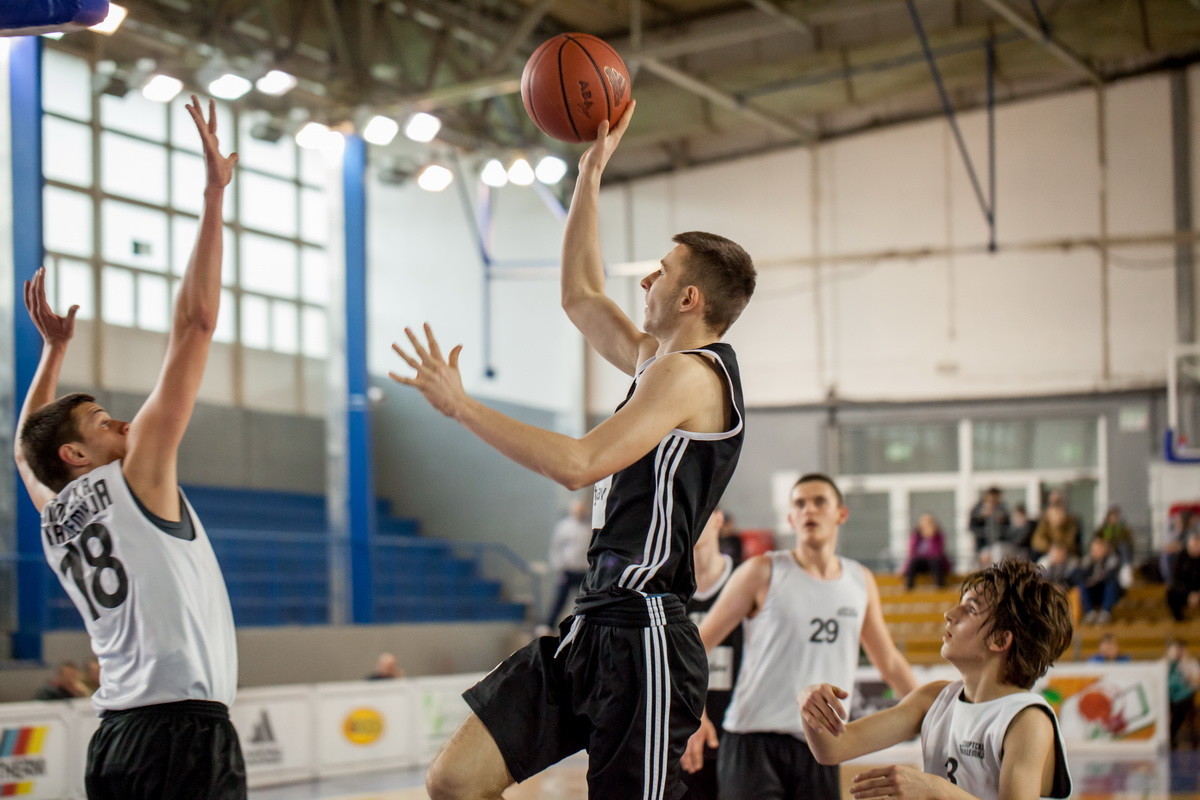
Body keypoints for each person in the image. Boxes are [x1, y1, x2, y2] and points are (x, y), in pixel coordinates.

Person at [393, 101, 756, 800]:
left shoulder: (691, 375)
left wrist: (463, 408)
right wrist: (589, 171)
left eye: (659, 271)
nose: (642, 280)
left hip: (647, 630)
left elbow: (577, 464)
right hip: (595, 620)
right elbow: (579, 293)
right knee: (455, 781)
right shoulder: (657, 360)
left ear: (688, 297)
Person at [13, 97, 243, 800]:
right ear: (78, 457)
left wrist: (52, 355)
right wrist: (212, 198)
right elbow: (196, 325)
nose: (121, 425)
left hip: (115, 736)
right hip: (181, 735)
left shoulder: (57, 514)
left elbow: (26, 453)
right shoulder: (136, 477)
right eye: (103, 420)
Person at [683, 474, 919, 799]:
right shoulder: (762, 571)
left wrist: (933, 714)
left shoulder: (859, 580)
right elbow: (694, 647)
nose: (809, 510)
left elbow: (889, 662)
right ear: (791, 518)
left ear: (841, 514)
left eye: (819, 501)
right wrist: (696, 716)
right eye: (800, 503)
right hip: (753, 742)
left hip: (822, 745)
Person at [799, 559, 1073, 800]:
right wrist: (808, 704)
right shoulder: (933, 698)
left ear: (1000, 639)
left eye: (971, 609)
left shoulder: (1027, 721)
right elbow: (833, 749)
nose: (950, 615)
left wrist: (938, 790)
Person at [681, 508, 742, 800]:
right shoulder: (664, 590)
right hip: (683, 737)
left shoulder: (748, 579)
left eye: (701, 510)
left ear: (718, 520)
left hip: (740, 736)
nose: (691, 520)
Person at [544, 498, 592, 628]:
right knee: (560, 599)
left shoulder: (588, 528)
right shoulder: (564, 527)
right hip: (567, 570)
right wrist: (559, 566)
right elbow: (556, 547)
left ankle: (584, 625)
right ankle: (548, 625)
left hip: (583, 570)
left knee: (584, 600)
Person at [1075, 536, 1123, 624]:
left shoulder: (1112, 559)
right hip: (1093, 590)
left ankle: (1105, 613)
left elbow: (1110, 575)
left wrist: (1095, 580)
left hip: (1107, 589)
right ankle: (1089, 613)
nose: (1097, 551)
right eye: (1095, 549)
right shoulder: (1087, 560)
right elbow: (1080, 576)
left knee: (1112, 584)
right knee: (1082, 585)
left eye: (1100, 548)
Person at [901, 513, 951, 589]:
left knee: (935, 561)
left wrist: (931, 537)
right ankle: (909, 586)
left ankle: (940, 586)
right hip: (920, 562)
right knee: (914, 562)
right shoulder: (916, 535)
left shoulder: (938, 536)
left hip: (933, 562)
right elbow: (912, 552)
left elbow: (937, 552)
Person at [1167, 639, 1200, 749]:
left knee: (1182, 704)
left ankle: (1171, 733)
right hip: (1168, 696)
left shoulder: (1191, 663)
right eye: (1175, 649)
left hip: (1184, 697)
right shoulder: (1166, 663)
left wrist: (1186, 666)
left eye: (1180, 649)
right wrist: (1169, 661)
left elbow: (1196, 683)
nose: (1178, 652)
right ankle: (1168, 734)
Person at [1031, 491, 1081, 557]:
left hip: (1066, 556)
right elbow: (1037, 541)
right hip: (1047, 554)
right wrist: (1051, 548)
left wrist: (1057, 526)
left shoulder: (1071, 522)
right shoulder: (1044, 521)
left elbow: (1070, 543)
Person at [1167, 530, 1200, 622]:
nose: (1197, 548)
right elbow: (1176, 579)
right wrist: (1188, 595)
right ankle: (1179, 621)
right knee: (1171, 593)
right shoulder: (1181, 557)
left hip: (1198, 591)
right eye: (1195, 545)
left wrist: (1198, 595)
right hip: (1185, 590)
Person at [968, 487, 1009, 562]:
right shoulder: (978, 508)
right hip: (983, 543)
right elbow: (972, 526)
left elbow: (1008, 524)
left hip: (998, 543)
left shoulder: (1002, 508)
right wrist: (981, 517)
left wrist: (1001, 519)